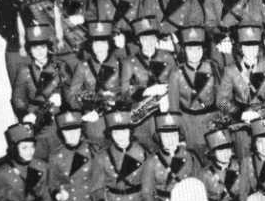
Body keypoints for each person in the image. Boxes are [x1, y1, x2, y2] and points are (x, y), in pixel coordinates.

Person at [217, 24, 265, 159]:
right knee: (245, 162)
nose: (251, 50)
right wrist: (239, 113)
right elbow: (221, 101)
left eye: (254, 46)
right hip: (243, 125)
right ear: (241, 48)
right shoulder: (231, 70)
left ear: (259, 47)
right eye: (246, 46)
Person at [91, 110, 151, 201]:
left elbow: (150, 182)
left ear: (130, 131)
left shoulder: (142, 152)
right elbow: (96, 188)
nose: (120, 136)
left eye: (124, 131)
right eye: (116, 132)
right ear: (110, 135)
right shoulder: (102, 157)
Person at [141, 112, 200, 201]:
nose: (170, 139)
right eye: (165, 135)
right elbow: (146, 193)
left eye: (173, 134)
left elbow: (198, 186)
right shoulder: (152, 161)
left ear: (179, 136)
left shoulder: (190, 157)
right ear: (159, 137)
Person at [11, 24, 70, 159]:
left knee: (61, 159)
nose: (39, 51)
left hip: (58, 122)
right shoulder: (24, 71)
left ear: (48, 48)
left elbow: (70, 92)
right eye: (35, 48)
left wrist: (62, 99)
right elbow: (17, 98)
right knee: (39, 160)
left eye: (42, 47)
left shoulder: (59, 67)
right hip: (36, 121)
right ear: (30, 50)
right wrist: (25, 115)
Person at [167, 25, 223, 159]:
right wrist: (178, 131)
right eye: (190, 49)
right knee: (193, 158)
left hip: (211, 121)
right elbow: (174, 107)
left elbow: (222, 97)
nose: (195, 53)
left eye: (198, 49)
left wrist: (229, 114)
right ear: (184, 50)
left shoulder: (212, 67)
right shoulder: (176, 73)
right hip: (188, 124)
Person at [120, 15, 175, 147]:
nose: (148, 41)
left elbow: (178, 83)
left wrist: (168, 96)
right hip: (142, 117)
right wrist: (146, 91)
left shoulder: (167, 57)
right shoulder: (129, 62)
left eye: (151, 38)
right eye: (144, 38)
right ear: (139, 40)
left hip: (165, 112)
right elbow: (124, 93)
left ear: (156, 38)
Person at [68, 20, 123, 147]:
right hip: (94, 116)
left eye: (103, 42)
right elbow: (72, 95)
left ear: (109, 44)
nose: (99, 47)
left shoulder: (120, 63)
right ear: (91, 45)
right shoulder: (83, 66)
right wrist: (89, 106)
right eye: (95, 43)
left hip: (118, 114)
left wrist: (115, 96)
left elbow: (130, 88)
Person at [198, 127, 247, 201]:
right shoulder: (204, 174)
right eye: (220, 150)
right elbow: (202, 200)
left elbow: (245, 193)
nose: (225, 153)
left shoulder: (240, 168)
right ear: (213, 153)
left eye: (228, 149)